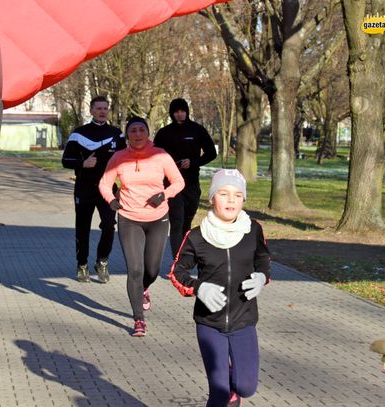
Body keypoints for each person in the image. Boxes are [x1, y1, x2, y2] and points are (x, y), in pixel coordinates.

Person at [168, 169, 270, 406]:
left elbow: (263, 259)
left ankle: (236, 389)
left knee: (246, 386)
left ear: (243, 199)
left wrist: (262, 277)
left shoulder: (252, 230)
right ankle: (225, 390)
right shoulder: (197, 236)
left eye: (237, 195)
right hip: (209, 324)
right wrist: (199, 288)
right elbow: (177, 272)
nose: (231, 200)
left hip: (244, 320)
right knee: (219, 391)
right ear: (212, 198)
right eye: (223, 193)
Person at [99, 117, 184, 337]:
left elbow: (178, 182)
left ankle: (144, 289)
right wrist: (111, 200)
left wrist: (164, 194)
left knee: (152, 270)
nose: (137, 134)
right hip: (129, 217)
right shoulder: (118, 158)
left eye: (141, 130)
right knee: (135, 270)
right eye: (133, 131)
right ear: (127, 135)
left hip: (158, 217)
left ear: (148, 133)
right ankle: (139, 319)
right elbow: (104, 183)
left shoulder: (161, 155)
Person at [62, 96, 126, 283]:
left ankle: (102, 261)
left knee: (108, 226)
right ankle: (82, 265)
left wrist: (122, 187)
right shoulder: (79, 134)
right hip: (84, 188)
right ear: (91, 111)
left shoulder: (116, 134)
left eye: (105, 108)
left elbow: (124, 162)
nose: (102, 111)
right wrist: (83, 163)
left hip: (108, 189)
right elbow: (66, 161)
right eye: (99, 108)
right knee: (82, 228)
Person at [154, 98, 217, 257]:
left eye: (183, 111)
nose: (180, 114)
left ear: (187, 112)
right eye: (176, 112)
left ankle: (185, 256)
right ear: (172, 113)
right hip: (172, 185)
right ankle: (178, 262)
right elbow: (155, 157)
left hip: (191, 184)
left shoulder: (197, 130)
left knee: (186, 223)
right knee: (177, 222)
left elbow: (211, 153)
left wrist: (194, 162)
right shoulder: (164, 133)